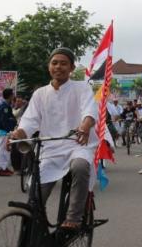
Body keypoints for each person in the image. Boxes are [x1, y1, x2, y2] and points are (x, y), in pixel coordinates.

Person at [10, 49, 98, 230]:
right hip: (50, 148)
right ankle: (36, 234)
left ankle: (74, 217)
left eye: (64, 63)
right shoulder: (40, 94)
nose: (58, 67)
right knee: (36, 195)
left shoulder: (82, 87)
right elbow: (30, 121)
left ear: (72, 68)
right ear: (49, 66)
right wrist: (19, 134)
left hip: (77, 143)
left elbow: (89, 111)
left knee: (80, 167)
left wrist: (85, 126)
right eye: (54, 62)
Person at [0, 88, 17, 177]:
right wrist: (9, 130)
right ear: (10, 96)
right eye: (12, 94)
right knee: (4, 150)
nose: (14, 96)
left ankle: (5, 167)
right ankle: (2, 168)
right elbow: (5, 120)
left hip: (4, 130)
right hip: (4, 131)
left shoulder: (5, 105)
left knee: (5, 149)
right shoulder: (4, 106)